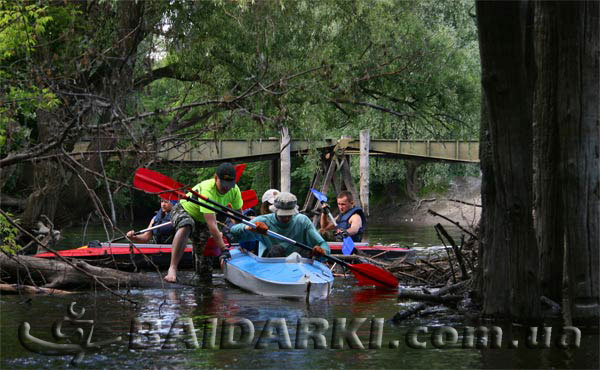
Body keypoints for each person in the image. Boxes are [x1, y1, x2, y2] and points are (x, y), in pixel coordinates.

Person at [164, 162, 243, 283]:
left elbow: (239, 218)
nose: (227, 188)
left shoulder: (235, 191)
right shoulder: (207, 190)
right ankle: (172, 268)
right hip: (184, 210)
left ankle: (202, 284)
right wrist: (223, 249)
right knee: (187, 224)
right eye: (223, 184)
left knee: (205, 271)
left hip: (202, 220)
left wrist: (243, 242)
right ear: (216, 178)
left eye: (230, 184)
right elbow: (212, 226)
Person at [230, 192, 329, 259]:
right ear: (275, 211)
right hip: (272, 263)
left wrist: (322, 251)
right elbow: (233, 230)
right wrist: (249, 227)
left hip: (299, 263)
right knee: (276, 250)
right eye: (282, 215)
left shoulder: (303, 221)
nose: (286, 218)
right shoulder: (264, 221)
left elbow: (323, 245)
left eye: (289, 215)